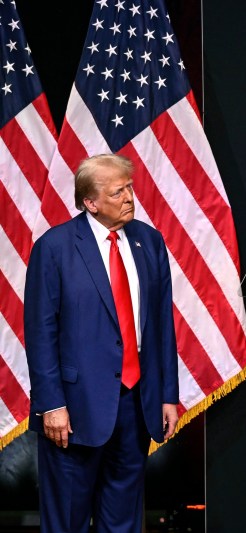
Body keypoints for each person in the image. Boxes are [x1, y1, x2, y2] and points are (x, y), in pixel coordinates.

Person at [24, 154, 179, 533]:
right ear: (90, 203)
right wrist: (51, 405)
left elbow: (161, 324)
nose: (129, 197)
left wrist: (167, 394)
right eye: (118, 192)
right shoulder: (55, 247)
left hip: (136, 404)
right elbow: (40, 332)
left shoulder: (149, 240)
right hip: (74, 410)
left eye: (129, 188)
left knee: (123, 520)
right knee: (67, 522)